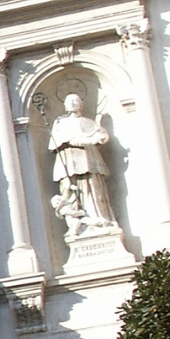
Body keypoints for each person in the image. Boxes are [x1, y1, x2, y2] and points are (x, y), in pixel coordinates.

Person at [49, 93, 116, 237]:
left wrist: (96, 138)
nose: (72, 103)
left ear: (81, 104)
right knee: (70, 191)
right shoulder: (60, 123)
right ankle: (79, 225)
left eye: (75, 100)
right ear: (65, 105)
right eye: (69, 101)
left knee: (93, 189)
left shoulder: (89, 122)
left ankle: (99, 219)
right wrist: (77, 140)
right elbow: (56, 142)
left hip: (89, 159)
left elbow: (102, 135)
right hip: (68, 160)